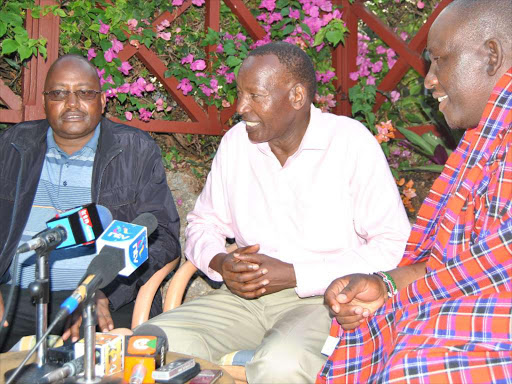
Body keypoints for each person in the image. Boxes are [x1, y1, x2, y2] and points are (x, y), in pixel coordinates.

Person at [137, 41, 410, 383]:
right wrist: (221, 262)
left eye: (255, 95)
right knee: (148, 345)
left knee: (280, 364)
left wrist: (297, 273)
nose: (241, 107)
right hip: (243, 300)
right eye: (240, 94)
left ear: (297, 97)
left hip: (325, 301)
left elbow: (394, 246)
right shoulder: (237, 144)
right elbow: (203, 223)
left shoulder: (350, 144)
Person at [319, 0, 512, 382]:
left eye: (439, 60)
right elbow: (462, 269)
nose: (429, 79)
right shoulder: (485, 144)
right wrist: (384, 284)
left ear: (491, 57)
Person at [0, 54, 181, 351]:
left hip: (102, 295)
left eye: (85, 93)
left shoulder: (134, 150)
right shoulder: (13, 145)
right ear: (45, 102)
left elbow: (162, 235)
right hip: (18, 294)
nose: (72, 104)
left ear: (102, 101)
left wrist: (104, 290)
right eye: (59, 94)